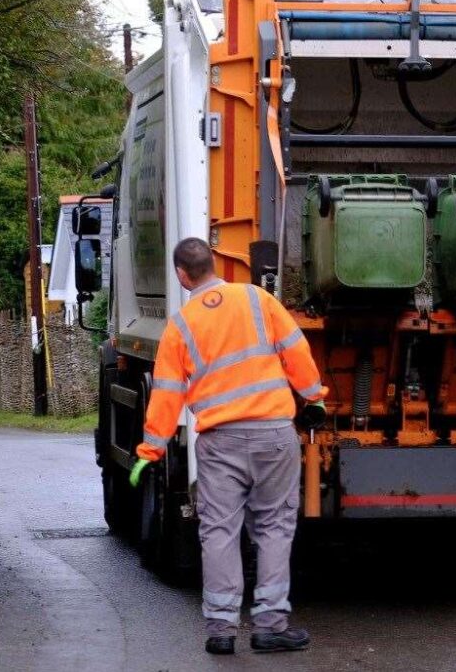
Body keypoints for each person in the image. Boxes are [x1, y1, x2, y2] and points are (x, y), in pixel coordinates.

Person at [130, 238, 328, 656]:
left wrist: (151, 450)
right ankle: (271, 624)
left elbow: (166, 393)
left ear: (183, 276)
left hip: (220, 442)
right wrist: (314, 397)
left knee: (219, 530)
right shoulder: (258, 299)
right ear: (214, 264)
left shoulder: (180, 325)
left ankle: (221, 628)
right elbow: (297, 351)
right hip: (274, 434)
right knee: (274, 527)